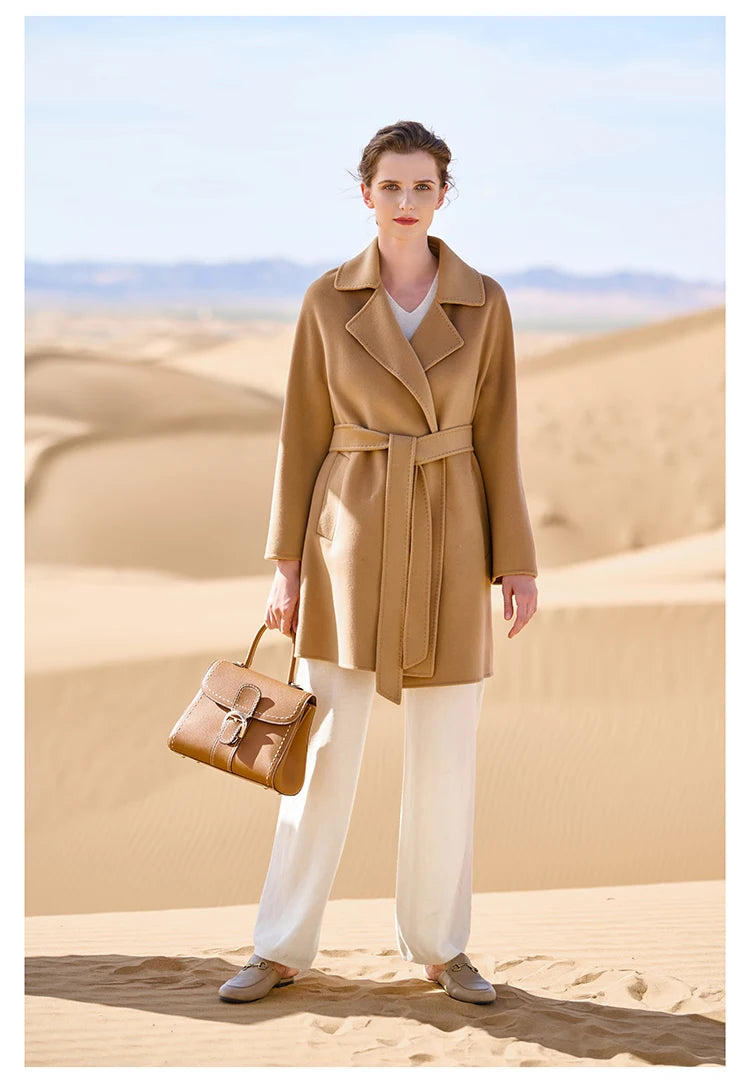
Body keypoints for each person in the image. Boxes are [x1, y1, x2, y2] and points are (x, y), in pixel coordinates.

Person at [218, 120, 538, 1007]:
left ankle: (442, 947)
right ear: (366, 195)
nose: (406, 201)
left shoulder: (486, 301)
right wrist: (285, 563)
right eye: (390, 186)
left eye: (422, 186)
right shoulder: (326, 300)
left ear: (444, 195)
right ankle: (280, 945)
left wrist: (516, 560)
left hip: (453, 534)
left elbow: (501, 434)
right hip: (346, 539)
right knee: (321, 748)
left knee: (445, 757)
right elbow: (300, 435)